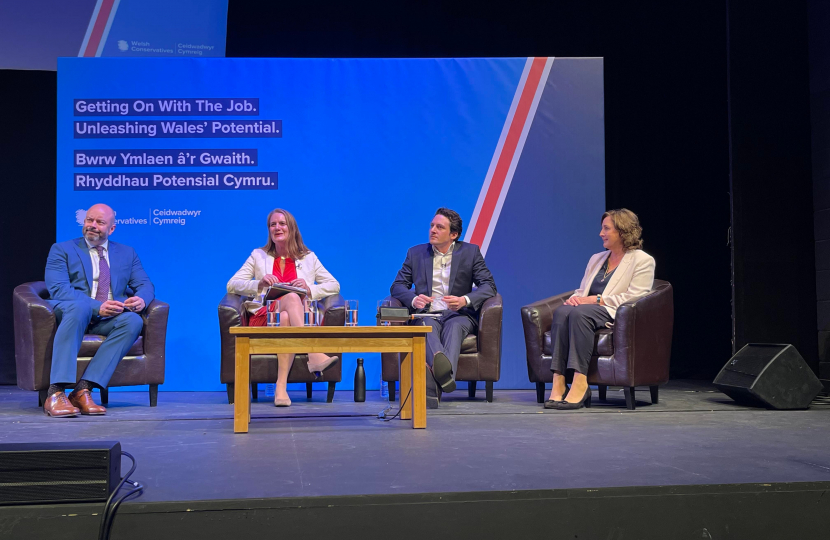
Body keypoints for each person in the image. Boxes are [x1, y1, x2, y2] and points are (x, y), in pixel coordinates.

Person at [43, 204, 154, 417]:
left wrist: (141, 299)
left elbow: (145, 284)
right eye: (89, 220)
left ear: (111, 229)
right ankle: (55, 393)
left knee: (133, 321)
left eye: (99, 222)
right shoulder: (62, 249)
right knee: (80, 307)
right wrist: (97, 306)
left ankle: (83, 389)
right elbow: (58, 289)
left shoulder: (127, 253)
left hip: (107, 317)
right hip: (71, 312)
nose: (92, 225)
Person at [227, 208, 340, 407]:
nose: (277, 228)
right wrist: (259, 284)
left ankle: (281, 387)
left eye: (282, 223)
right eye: (273, 224)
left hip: (291, 319)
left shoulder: (308, 257)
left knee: (287, 315)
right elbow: (232, 284)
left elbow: (334, 285)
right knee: (292, 298)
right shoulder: (258, 255)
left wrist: (309, 288)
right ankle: (312, 353)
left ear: (291, 228)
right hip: (265, 317)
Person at [545, 208, 655, 410]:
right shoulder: (597, 258)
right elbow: (582, 290)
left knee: (580, 314)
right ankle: (558, 380)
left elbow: (636, 297)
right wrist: (575, 300)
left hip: (615, 312)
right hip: (588, 310)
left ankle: (580, 382)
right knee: (562, 312)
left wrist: (597, 299)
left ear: (622, 231)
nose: (601, 233)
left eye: (606, 228)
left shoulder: (642, 260)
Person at [391, 208, 497, 408]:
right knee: (427, 327)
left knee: (455, 327)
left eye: (439, 227)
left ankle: (434, 383)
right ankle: (445, 379)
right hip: (427, 314)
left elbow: (489, 286)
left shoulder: (470, 252)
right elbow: (397, 286)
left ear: (453, 234)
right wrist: (414, 300)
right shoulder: (415, 253)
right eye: (432, 226)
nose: (433, 230)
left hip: (458, 314)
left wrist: (465, 300)